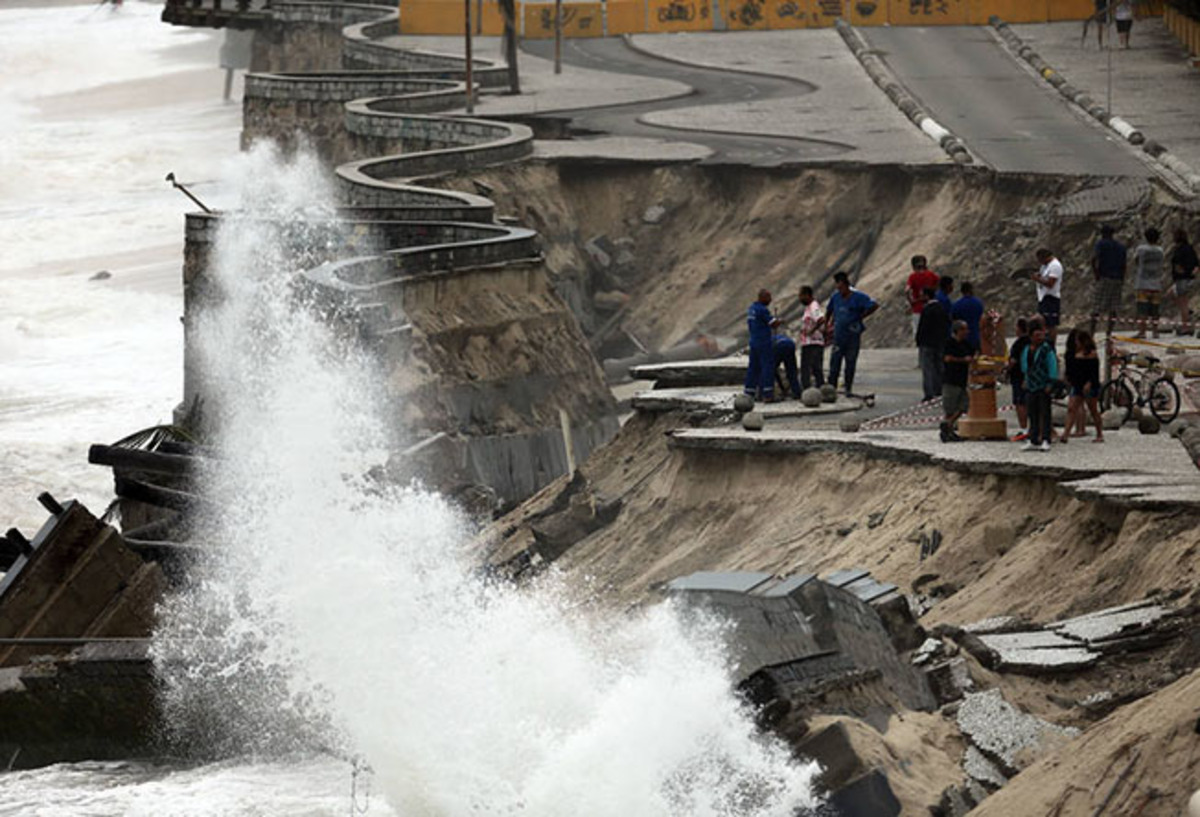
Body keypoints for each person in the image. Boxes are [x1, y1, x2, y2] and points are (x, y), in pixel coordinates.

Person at [826, 272, 878, 397]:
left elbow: (874, 305)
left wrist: (861, 316)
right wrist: (827, 326)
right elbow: (829, 311)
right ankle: (831, 388)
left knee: (850, 362)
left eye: (841, 287)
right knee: (834, 363)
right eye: (838, 288)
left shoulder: (858, 297)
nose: (840, 291)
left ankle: (848, 387)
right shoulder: (835, 297)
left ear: (846, 285)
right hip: (838, 336)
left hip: (852, 336)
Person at [1061, 329, 1104, 444]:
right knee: (1072, 409)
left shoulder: (1092, 355)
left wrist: (1089, 383)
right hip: (1078, 385)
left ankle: (1099, 433)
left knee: (1093, 410)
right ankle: (1065, 434)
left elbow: (1094, 373)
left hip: (1089, 386)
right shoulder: (1075, 354)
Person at [1022, 322, 1058, 452]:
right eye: (1037, 335)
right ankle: (1033, 439)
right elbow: (1025, 366)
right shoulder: (1027, 349)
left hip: (1043, 385)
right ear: (1031, 336)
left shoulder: (1046, 349)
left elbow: (1052, 365)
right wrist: (1025, 379)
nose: (1040, 338)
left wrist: (1051, 383)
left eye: (1041, 335)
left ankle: (1046, 439)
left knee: (1045, 413)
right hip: (1031, 385)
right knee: (1032, 413)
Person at [941, 320, 975, 443]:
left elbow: (973, 353)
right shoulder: (949, 343)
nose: (967, 332)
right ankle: (947, 430)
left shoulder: (966, 344)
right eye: (964, 329)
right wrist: (962, 360)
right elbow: (947, 358)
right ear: (958, 331)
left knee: (963, 405)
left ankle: (948, 425)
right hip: (951, 380)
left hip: (962, 380)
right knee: (950, 407)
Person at [1090, 225, 1127, 336]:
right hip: (1117, 279)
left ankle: (1092, 331)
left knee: (1097, 305)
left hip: (1104, 277)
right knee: (1113, 306)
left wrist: (1096, 273)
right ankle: (1109, 332)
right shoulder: (1121, 246)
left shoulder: (1101, 244)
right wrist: (1122, 278)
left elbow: (1094, 259)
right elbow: (1124, 264)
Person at [744, 289, 779, 402]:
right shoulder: (763, 310)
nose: (770, 300)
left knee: (753, 367)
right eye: (768, 297)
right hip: (763, 342)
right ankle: (767, 394)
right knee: (767, 367)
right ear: (762, 297)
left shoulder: (751, 309)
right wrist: (780, 321)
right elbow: (772, 323)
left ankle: (749, 392)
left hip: (753, 341)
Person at [916, 287, 948, 402]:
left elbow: (923, 327)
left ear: (927, 296)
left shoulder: (927, 310)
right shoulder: (941, 308)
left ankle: (929, 393)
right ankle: (939, 390)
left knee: (927, 368)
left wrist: (919, 340)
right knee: (939, 367)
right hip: (940, 343)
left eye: (922, 295)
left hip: (927, 343)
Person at [1133, 227, 1165, 339]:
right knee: (1155, 310)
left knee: (1142, 309)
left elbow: (1136, 261)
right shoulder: (1160, 250)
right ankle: (1155, 332)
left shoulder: (1141, 249)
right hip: (1156, 283)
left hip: (1142, 283)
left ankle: (1142, 332)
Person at [1169, 228, 1199, 335]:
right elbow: (1196, 264)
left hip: (1181, 278)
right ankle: (1188, 313)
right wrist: (1192, 274)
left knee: (1183, 303)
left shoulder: (1179, 250)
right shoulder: (1190, 248)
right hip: (1189, 278)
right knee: (1172, 294)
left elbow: (1177, 265)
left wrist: (1182, 272)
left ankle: (1185, 326)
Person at [797, 285, 827, 391]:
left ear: (807, 295)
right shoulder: (808, 307)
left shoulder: (814, 306)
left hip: (812, 343)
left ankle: (809, 391)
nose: (799, 299)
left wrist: (812, 331)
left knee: (808, 368)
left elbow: (821, 319)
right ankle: (819, 389)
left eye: (801, 296)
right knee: (814, 368)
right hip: (809, 342)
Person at [1031, 249, 1063, 345]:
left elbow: (1050, 283)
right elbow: (1044, 277)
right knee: (1043, 322)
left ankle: (1052, 344)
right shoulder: (1045, 266)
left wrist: (1037, 279)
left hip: (1051, 297)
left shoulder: (1055, 266)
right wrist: (1039, 276)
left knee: (1051, 324)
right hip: (1043, 297)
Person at [1007, 317, 1031, 441]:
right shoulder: (1031, 342)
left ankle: (1024, 429)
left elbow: (1013, 361)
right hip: (1030, 376)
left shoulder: (1018, 344)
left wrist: (1006, 369)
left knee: (1020, 402)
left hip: (1018, 376)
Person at [906, 255, 939, 338]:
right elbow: (939, 283)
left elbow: (907, 290)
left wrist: (912, 302)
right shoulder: (931, 275)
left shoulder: (912, 276)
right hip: (931, 306)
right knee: (932, 330)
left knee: (918, 331)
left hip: (918, 307)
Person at [950, 282, 984, 350]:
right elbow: (980, 317)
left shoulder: (957, 305)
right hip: (975, 336)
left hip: (961, 338)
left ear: (962, 291)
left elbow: (953, 320)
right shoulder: (978, 303)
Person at [772, 331, 802, 400]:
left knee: (771, 370)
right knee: (792, 371)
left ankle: (770, 393)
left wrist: (781, 386)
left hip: (778, 346)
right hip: (790, 344)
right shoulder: (777, 336)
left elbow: (773, 370)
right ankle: (797, 392)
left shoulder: (765, 342)